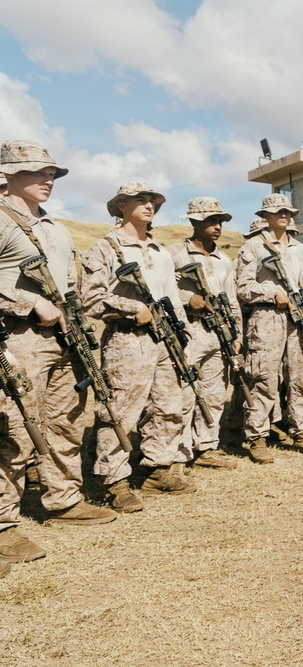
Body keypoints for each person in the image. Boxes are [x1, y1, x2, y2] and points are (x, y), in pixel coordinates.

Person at [0, 140, 117, 566]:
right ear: (8, 174)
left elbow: (72, 285)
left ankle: (64, 500)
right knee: (15, 429)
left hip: (64, 339)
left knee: (66, 421)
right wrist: (27, 303)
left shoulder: (56, 228)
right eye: (37, 172)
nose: (48, 179)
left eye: (52, 173)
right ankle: (3, 525)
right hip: (18, 338)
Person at [80, 181, 197, 512]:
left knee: (167, 405)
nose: (149, 205)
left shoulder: (160, 251)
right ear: (121, 206)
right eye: (140, 200)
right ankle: (114, 481)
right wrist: (134, 309)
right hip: (127, 339)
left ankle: (156, 470)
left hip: (166, 338)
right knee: (120, 410)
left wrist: (183, 334)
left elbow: (173, 298)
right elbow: (91, 298)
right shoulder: (105, 248)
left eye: (153, 201)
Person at [235, 193, 303, 462]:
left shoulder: (299, 249)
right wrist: (271, 291)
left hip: (299, 319)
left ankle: (301, 432)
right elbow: (243, 286)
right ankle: (257, 437)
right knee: (264, 378)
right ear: (265, 216)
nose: (284, 215)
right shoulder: (253, 247)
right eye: (278, 212)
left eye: (288, 211)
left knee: (301, 377)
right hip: (267, 318)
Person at [167, 197, 241, 471]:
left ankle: (207, 446)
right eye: (211, 220)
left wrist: (236, 335)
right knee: (184, 394)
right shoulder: (174, 253)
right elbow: (161, 291)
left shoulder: (224, 259)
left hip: (218, 333)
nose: (218, 226)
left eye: (220, 221)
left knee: (213, 392)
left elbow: (232, 299)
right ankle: (177, 453)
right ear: (195, 222)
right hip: (189, 330)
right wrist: (189, 299)